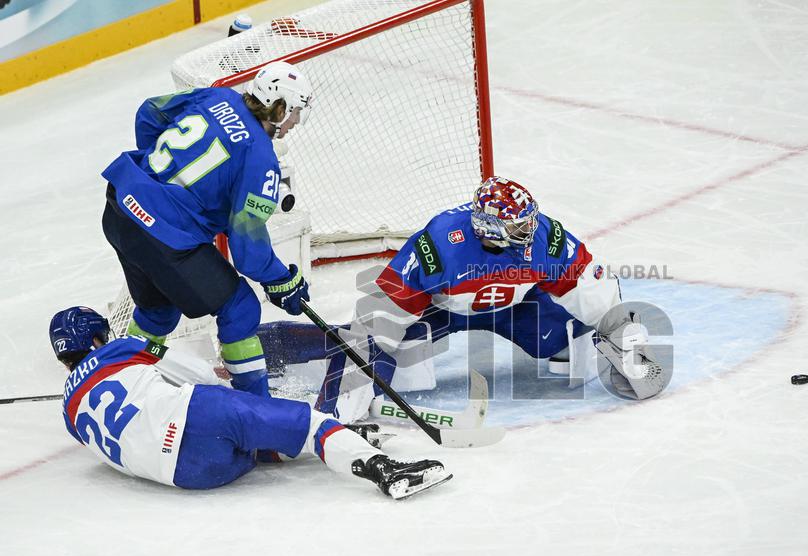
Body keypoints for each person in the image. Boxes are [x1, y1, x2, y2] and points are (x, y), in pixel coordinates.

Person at [257, 176, 666, 422]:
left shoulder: (545, 236)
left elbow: (595, 290)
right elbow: (380, 317)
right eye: (519, 226)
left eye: (529, 221)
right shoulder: (441, 244)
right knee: (391, 360)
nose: (531, 230)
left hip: (518, 307)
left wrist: (626, 341)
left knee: (569, 349)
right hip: (444, 310)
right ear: (489, 228)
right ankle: (271, 347)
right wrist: (349, 396)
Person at [50, 306, 451, 499]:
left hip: (192, 476)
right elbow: (201, 376)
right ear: (98, 338)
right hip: (197, 420)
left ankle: (331, 441)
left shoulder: (68, 412)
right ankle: (383, 470)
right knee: (306, 421)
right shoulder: (122, 347)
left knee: (255, 439)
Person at [99, 60, 313, 398]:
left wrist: (158, 179)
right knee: (240, 307)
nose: (297, 121)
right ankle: (257, 411)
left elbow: (150, 112)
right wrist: (283, 280)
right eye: (295, 111)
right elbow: (247, 250)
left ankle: (119, 381)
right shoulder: (261, 159)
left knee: (159, 310)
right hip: (163, 235)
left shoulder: (218, 98)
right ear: (279, 106)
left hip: (121, 209)